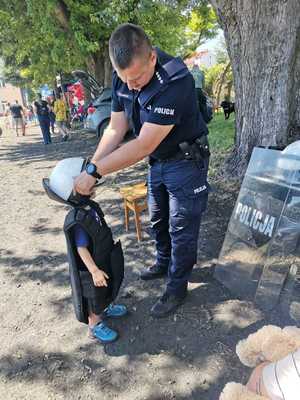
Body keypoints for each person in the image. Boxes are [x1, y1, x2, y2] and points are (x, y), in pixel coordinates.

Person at [74, 23, 210, 318]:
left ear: (151, 58)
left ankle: (177, 287)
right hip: (159, 161)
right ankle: (164, 263)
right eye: (125, 80)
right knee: (158, 218)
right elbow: (117, 126)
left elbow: (142, 145)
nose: (131, 85)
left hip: (185, 161)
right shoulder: (124, 74)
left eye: (137, 79)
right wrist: (91, 165)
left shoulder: (175, 80)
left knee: (181, 226)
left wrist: (96, 173)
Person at [43, 157, 127, 343]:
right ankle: (94, 325)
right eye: (89, 184)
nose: (93, 185)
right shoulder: (79, 221)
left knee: (108, 286)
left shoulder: (89, 207)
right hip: (91, 268)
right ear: (74, 191)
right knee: (94, 297)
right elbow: (81, 249)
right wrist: (94, 271)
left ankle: (106, 308)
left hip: (102, 257)